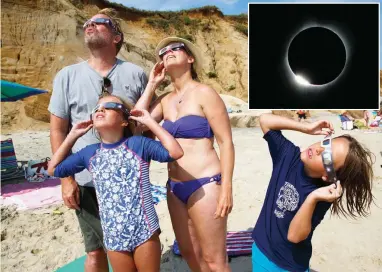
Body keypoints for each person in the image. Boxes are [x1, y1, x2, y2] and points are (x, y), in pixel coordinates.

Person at [48, 8, 156, 271]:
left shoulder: (136, 74)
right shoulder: (67, 76)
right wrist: (66, 180)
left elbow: (148, 123)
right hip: (87, 183)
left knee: (140, 244)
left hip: (129, 184)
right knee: (96, 252)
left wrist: (142, 166)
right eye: (87, 22)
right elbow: (58, 129)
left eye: (99, 22)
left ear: (117, 37)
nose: (90, 25)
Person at [48, 94, 183, 272]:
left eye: (109, 106)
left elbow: (175, 152)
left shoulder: (138, 144)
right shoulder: (90, 153)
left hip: (145, 230)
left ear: (124, 121)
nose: (100, 110)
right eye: (96, 109)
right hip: (113, 235)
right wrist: (72, 135)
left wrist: (150, 122)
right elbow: (53, 169)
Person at [134, 37, 235, 271]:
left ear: (190, 58)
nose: (167, 52)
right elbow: (137, 123)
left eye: (174, 48)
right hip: (174, 188)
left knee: (214, 260)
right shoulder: (164, 100)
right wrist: (151, 84)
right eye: (163, 52)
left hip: (206, 184)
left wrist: (227, 188)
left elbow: (226, 142)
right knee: (190, 252)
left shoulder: (205, 93)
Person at [251, 113, 374, 271]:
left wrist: (312, 199)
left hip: (287, 266)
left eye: (327, 156)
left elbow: (295, 236)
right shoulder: (288, 156)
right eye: (326, 143)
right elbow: (265, 120)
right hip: (260, 249)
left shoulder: (322, 194)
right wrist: (305, 127)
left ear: (328, 176)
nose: (318, 150)